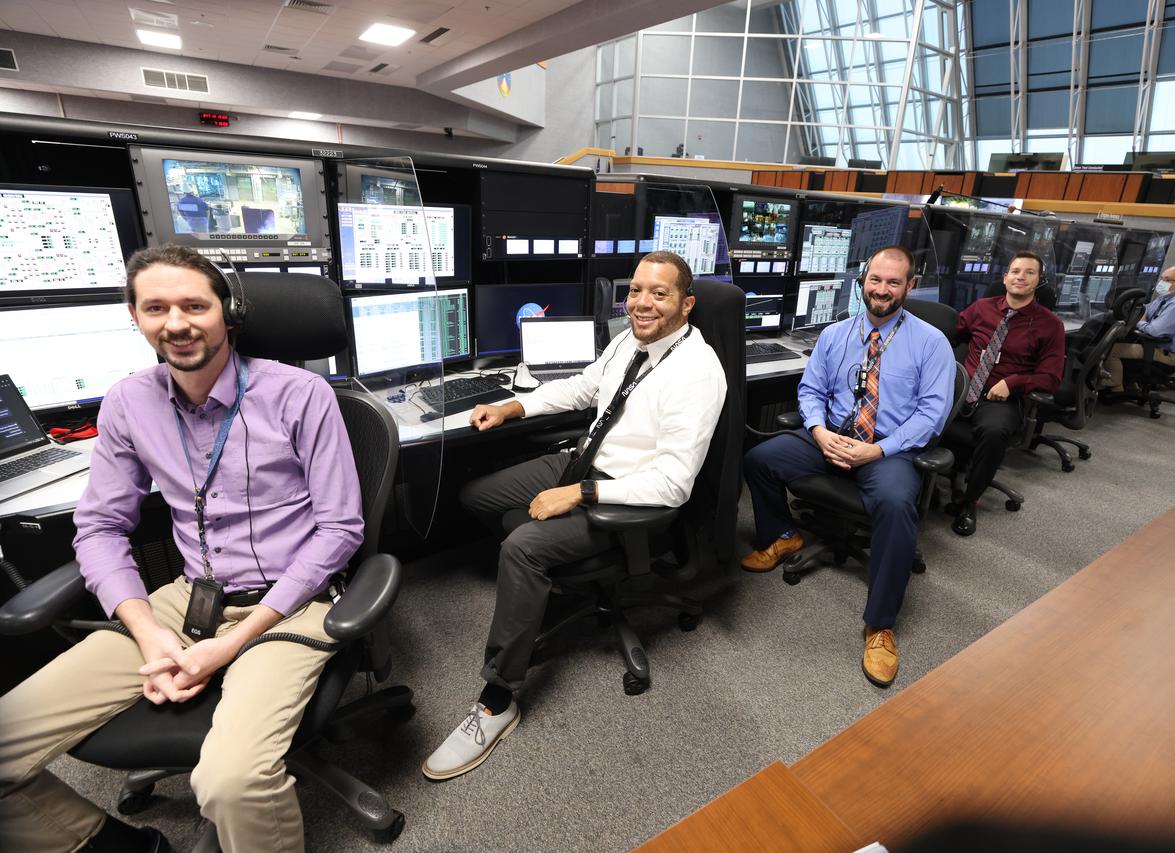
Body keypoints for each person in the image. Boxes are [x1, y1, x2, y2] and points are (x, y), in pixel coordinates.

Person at [0, 245, 363, 853]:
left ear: (228, 312)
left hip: (290, 602)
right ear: (135, 316)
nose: (176, 323)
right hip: (185, 599)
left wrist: (232, 644)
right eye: (156, 307)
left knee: (231, 781)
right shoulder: (127, 402)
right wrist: (146, 629)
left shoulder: (300, 395)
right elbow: (98, 530)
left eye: (194, 305)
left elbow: (339, 532)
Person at [423, 250, 726, 780]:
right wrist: (513, 407)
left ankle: (499, 697)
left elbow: (675, 484)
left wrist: (579, 495)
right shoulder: (632, 339)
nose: (642, 302)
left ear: (687, 304)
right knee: (476, 495)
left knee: (521, 548)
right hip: (584, 461)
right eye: (635, 290)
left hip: (627, 494)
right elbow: (585, 386)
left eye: (660, 293)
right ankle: (552, 578)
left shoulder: (697, 373)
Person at [740, 246, 954, 688]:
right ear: (863, 282)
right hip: (832, 437)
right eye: (876, 280)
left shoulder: (932, 343)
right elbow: (810, 391)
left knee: (896, 504)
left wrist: (878, 450)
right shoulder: (835, 335)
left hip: (885, 450)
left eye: (894, 282)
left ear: (909, 286)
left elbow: (931, 415)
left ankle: (880, 625)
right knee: (759, 458)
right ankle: (782, 536)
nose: (882, 290)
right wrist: (818, 432)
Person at [949, 252, 1065, 537]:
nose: (1020, 277)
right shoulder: (981, 308)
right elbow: (954, 334)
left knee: (994, 432)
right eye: (1015, 271)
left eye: (1028, 273)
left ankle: (969, 501)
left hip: (1000, 398)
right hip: (962, 389)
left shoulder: (1050, 325)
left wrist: (1014, 382)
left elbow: (1051, 377)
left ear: (1039, 281)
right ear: (1005, 278)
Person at [1102, 264, 1175, 393]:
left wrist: (1140, 322)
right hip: (1164, 346)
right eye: (1161, 278)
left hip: (1168, 354)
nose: (1162, 282)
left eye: (1167, 280)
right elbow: (1146, 309)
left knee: (1110, 348)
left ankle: (1116, 387)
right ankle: (1128, 382)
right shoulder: (1172, 296)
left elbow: (1156, 332)